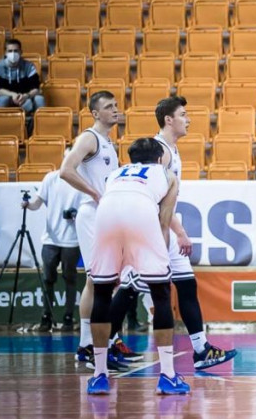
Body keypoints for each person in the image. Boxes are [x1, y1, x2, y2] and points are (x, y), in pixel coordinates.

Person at [85, 138, 188, 395]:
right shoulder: (167, 174)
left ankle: (99, 375)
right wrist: (160, 262)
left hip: (105, 215)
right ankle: (168, 375)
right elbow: (164, 221)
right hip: (141, 213)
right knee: (161, 295)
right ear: (160, 158)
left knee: (102, 294)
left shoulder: (115, 174)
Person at [153, 96, 237, 369]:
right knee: (129, 290)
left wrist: (177, 230)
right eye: (183, 115)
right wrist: (180, 232)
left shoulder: (172, 149)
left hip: (166, 227)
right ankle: (100, 346)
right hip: (153, 230)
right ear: (169, 120)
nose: (188, 120)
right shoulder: (160, 151)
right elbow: (157, 201)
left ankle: (201, 350)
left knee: (187, 285)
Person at [59, 91, 134, 372]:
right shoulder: (89, 138)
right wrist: (95, 193)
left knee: (105, 280)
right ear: (94, 113)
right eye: (109, 106)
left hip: (106, 215)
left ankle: (97, 343)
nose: (115, 110)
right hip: (92, 214)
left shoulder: (107, 142)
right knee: (96, 280)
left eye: (116, 105)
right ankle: (87, 345)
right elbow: (65, 170)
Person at [24, 165, 82, 332]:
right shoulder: (51, 178)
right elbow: (37, 202)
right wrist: (28, 205)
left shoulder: (82, 181)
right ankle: (46, 317)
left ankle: (68, 318)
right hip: (51, 238)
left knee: (70, 278)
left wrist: (76, 214)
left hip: (72, 239)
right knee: (47, 279)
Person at [0, 39, 45, 114]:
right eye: (10, 51)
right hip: (7, 95)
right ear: (5, 53)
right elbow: (0, 90)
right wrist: (13, 95)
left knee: (39, 99)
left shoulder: (29, 66)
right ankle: (2, 120)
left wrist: (26, 96)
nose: (13, 54)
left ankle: (36, 120)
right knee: (2, 100)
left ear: (21, 52)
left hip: (25, 95)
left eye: (16, 51)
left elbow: (36, 88)